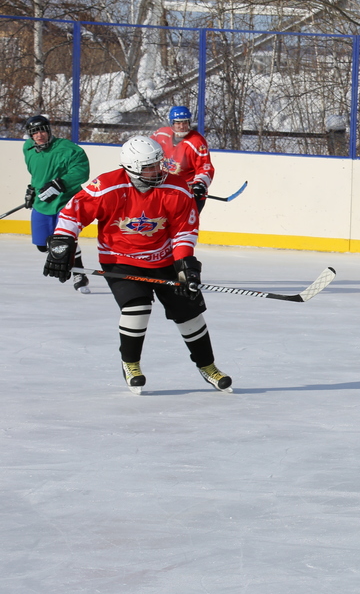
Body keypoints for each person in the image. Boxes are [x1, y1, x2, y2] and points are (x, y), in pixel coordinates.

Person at [42, 136, 233, 395]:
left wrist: (186, 263)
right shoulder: (107, 186)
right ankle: (131, 364)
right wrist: (62, 245)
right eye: (150, 167)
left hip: (164, 259)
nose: (158, 171)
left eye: (159, 164)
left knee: (189, 312)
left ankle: (208, 366)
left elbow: (184, 231)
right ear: (131, 168)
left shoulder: (176, 188)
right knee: (137, 307)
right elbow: (72, 213)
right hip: (120, 260)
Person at [22, 114, 92, 293]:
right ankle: (64, 259)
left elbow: (82, 172)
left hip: (65, 201)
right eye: (34, 132)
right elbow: (37, 174)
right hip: (42, 202)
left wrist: (60, 184)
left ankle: (78, 273)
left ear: (49, 130)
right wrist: (32, 190)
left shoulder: (68, 149)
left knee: (65, 240)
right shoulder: (28, 148)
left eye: (42, 130)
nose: (39, 135)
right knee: (42, 245)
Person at [152, 105, 215, 213]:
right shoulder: (161, 134)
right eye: (178, 123)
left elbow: (205, 167)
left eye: (185, 122)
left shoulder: (197, 142)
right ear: (172, 123)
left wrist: (200, 184)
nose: (182, 126)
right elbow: (147, 152)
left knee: (184, 228)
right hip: (165, 191)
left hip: (188, 193)